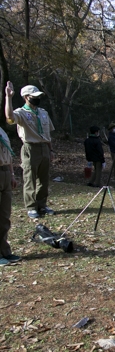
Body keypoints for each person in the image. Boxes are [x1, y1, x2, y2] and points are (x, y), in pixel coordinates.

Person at [4, 82, 55, 219]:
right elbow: (9, 117)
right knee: (30, 178)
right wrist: (8, 97)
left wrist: (51, 150)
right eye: (34, 96)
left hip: (44, 147)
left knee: (44, 180)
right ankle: (31, 207)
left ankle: (42, 204)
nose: (37, 98)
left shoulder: (43, 113)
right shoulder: (21, 113)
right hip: (30, 148)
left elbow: (48, 134)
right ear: (26, 97)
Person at [0, 125, 20, 266]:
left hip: (6, 172)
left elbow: (7, 152)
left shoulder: (2, 131)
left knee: (4, 216)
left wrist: (12, 175)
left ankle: (5, 251)